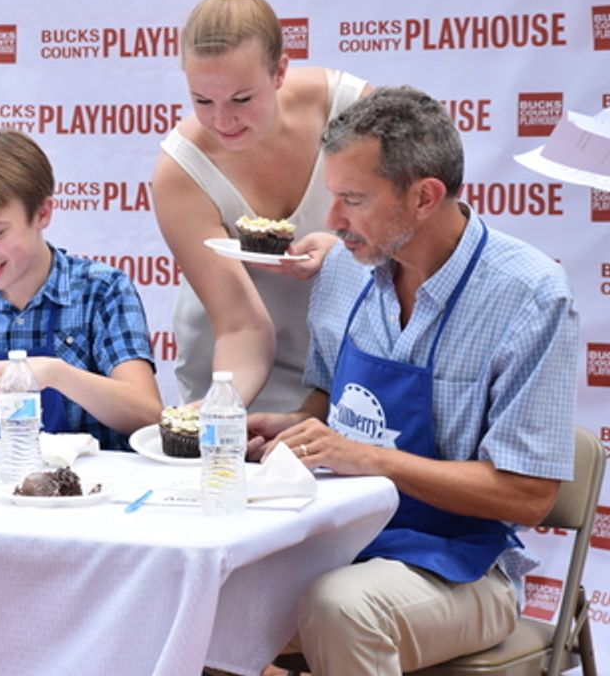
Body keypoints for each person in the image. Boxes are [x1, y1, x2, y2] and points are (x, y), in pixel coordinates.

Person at [248, 86, 579, 675]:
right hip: (342, 542)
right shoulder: (347, 272)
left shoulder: (528, 296)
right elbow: (332, 405)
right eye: (332, 197)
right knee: (201, 588)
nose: (331, 223)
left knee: (341, 608)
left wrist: (372, 458)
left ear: (425, 196)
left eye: (353, 199)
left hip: (463, 568)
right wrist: (295, 428)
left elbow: (529, 496)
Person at [152, 0, 370, 409]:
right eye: (202, 101)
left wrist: (346, 252)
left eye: (242, 99)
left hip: (354, 378)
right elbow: (241, 326)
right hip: (235, 378)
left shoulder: (353, 110)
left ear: (280, 72)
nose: (222, 121)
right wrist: (218, 417)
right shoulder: (180, 170)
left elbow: (412, 244)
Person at [0, 130, 161, 451]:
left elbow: (148, 413)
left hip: (89, 492)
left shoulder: (102, 290)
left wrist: (55, 373)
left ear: (42, 214)